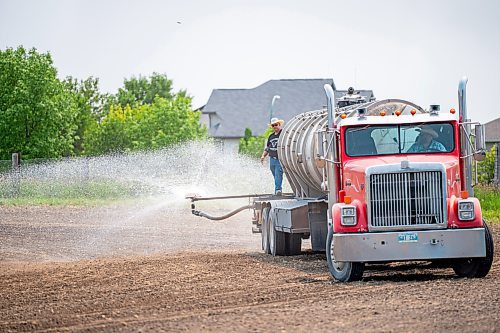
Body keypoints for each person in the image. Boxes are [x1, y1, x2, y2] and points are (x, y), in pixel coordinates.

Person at [261, 117, 284, 195]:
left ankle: (278, 189)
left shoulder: (283, 134)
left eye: (276, 125)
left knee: (278, 173)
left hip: (279, 158)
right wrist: (263, 156)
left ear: (279, 124)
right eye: (273, 125)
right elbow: (268, 147)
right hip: (272, 159)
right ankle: (278, 187)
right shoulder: (271, 136)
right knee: (275, 173)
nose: (275, 127)